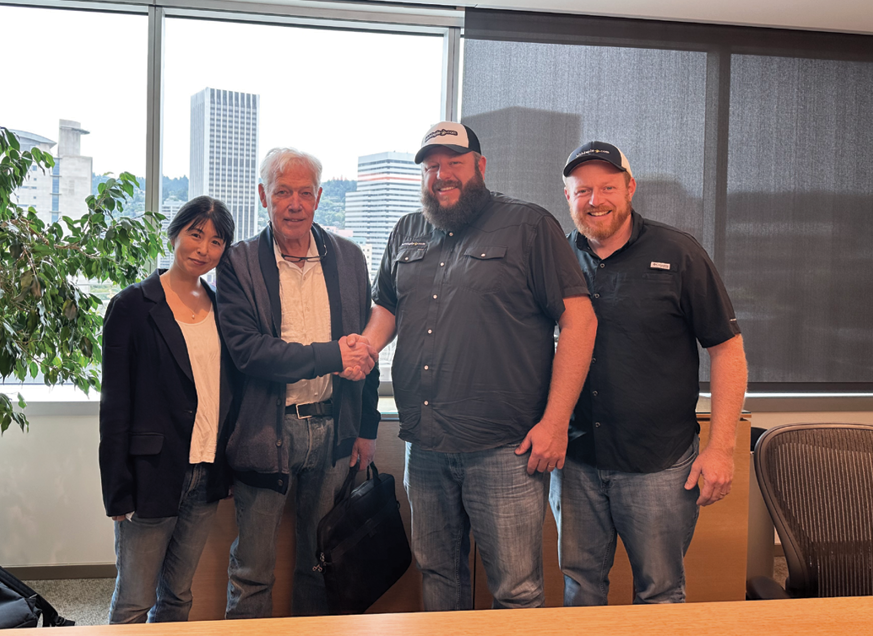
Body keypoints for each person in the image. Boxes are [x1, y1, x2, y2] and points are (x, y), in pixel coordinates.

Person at [362, 121, 598, 610]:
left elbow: (580, 321)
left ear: (481, 167)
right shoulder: (407, 230)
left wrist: (556, 423)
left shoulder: (529, 226)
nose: (441, 175)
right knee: (438, 576)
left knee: (515, 590)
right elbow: (387, 306)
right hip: (425, 445)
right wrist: (366, 346)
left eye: (454, 163)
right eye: (431, 166)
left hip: (505, 449)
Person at [552, 141, 749, 605]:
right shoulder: (556, 258)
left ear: (630, 189)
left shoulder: (679, 253)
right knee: (580, 589)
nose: (595, 200)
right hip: (576, 461)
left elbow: (727, 350)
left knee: (660, 594)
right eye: (583, 191)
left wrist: (721, 448)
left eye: (607, 188)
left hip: (659, 465)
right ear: (568, 197)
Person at [216, 147, 381, 618]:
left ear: (319, 197)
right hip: (265, 433)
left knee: (319, 563)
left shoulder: (349, 258)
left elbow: (365, 348)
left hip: (333, 430)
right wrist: (332, 355)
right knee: (253, 569)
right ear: (263, 195)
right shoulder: (239, 262)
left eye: (305, 193)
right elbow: (249, 352)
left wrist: (366, 427)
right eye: (283, 192)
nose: (294, 204)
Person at [99, 195, 238, 623]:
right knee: (134, 599)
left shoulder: (222, 309)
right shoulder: (131, 306)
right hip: (150, 473)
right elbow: (115, 404)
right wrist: (117, 488)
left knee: (178, 595)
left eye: (216, 242)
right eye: (195, 234)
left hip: (205, 470)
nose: (203, 249)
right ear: (175, 234)